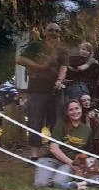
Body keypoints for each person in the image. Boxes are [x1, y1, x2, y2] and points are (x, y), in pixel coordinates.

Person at [16, 22, 68, 160]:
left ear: (59, 33)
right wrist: (38, 66)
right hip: (36, 90)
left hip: (55, 91)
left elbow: (63, 67)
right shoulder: (35, 45)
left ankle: (54, 152)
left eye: (56, 31)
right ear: (45, 31)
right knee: (34, 121)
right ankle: (34, 155)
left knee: (56, 122)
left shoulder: (62, 49)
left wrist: (60, 80)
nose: (53, 33)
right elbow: (20, 59)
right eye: (50, 30)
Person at [34, 99, 92, 189]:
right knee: (41, 184)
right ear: (67, 113)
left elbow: (87, 152)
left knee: (58, 183)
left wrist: (81, 167)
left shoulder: (87, 130)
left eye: (77, 108)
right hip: (53, 159)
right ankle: (50, 175)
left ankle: (58, 179)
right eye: (71, 110)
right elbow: (53, 149)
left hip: (69, 164)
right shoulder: (60, 125)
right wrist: (71, 163)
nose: (74, 112)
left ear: (81, 109)